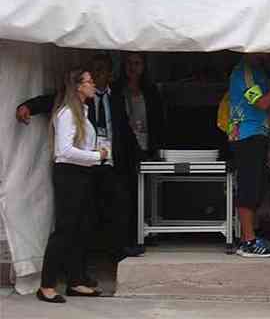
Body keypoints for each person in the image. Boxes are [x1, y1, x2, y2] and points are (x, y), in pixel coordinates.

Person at [16, 53, 144, 262]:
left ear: (110, 74)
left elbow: (124, 129)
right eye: (92, 71)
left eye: (100, 70)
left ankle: (120, 249)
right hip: (86, 162)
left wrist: (139, 153)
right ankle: (83, 260)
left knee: (120, 203)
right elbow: (52, 100)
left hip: (111, 159)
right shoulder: (74, 103)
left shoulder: (117, 96)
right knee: (86, 213)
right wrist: (29, 106)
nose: (95, 75)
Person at [37, 68, 107, 303]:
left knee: (81, 228)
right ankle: (46, 285)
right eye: (89, 81)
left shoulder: (82, 112)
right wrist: (97, 157)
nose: (93, 84)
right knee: (65, 229)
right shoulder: (67, 113)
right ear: (78, 86)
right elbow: (64, 151)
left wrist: (94, 155)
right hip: (69, 175)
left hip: (81, 174)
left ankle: (76, 280)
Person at [228, 53, 270, 258]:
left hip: (259, 133)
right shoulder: (244, 72)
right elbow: (262, 103)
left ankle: (252, 236)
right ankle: (247, 241)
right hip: (246, 135)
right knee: (248, 186)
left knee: (257, 186)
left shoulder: (258, 71)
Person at [114, 52, 165, 161]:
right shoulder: (116, 89)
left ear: (143, 66)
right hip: (123, 147)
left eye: (137, 63)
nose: (132, 67)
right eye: (129, 63)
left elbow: (158, 120)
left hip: (148, 147)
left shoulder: (151, 91)